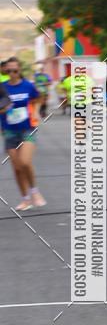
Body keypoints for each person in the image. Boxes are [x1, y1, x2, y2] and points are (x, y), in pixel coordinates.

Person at [1, 57, 46, 210]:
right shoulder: (2, 87)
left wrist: (37, 111)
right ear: (5, 71)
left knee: (25, 162)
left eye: (15, 70)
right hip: (9, 131)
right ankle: (25, 199)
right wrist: (3, 109)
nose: (12, 73)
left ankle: (35, 192)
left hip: (27, 128)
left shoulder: (28, 86)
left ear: (20, 70)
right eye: (9, 70)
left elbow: (39, 97)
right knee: (17, 167)